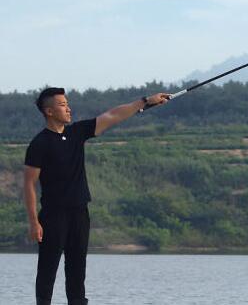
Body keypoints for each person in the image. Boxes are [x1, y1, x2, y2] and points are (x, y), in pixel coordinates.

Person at [23, 87, 171, 305]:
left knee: (77, 269)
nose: (68, 108)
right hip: (53, 216)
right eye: (63, 105)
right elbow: (28, 184)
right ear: (49, 111)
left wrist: (146, 101)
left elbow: (112, 115)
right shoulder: (39, 144)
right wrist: (34, 222)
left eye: (67, 103)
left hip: (80, 213)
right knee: (47, 269)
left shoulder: (77, 133)